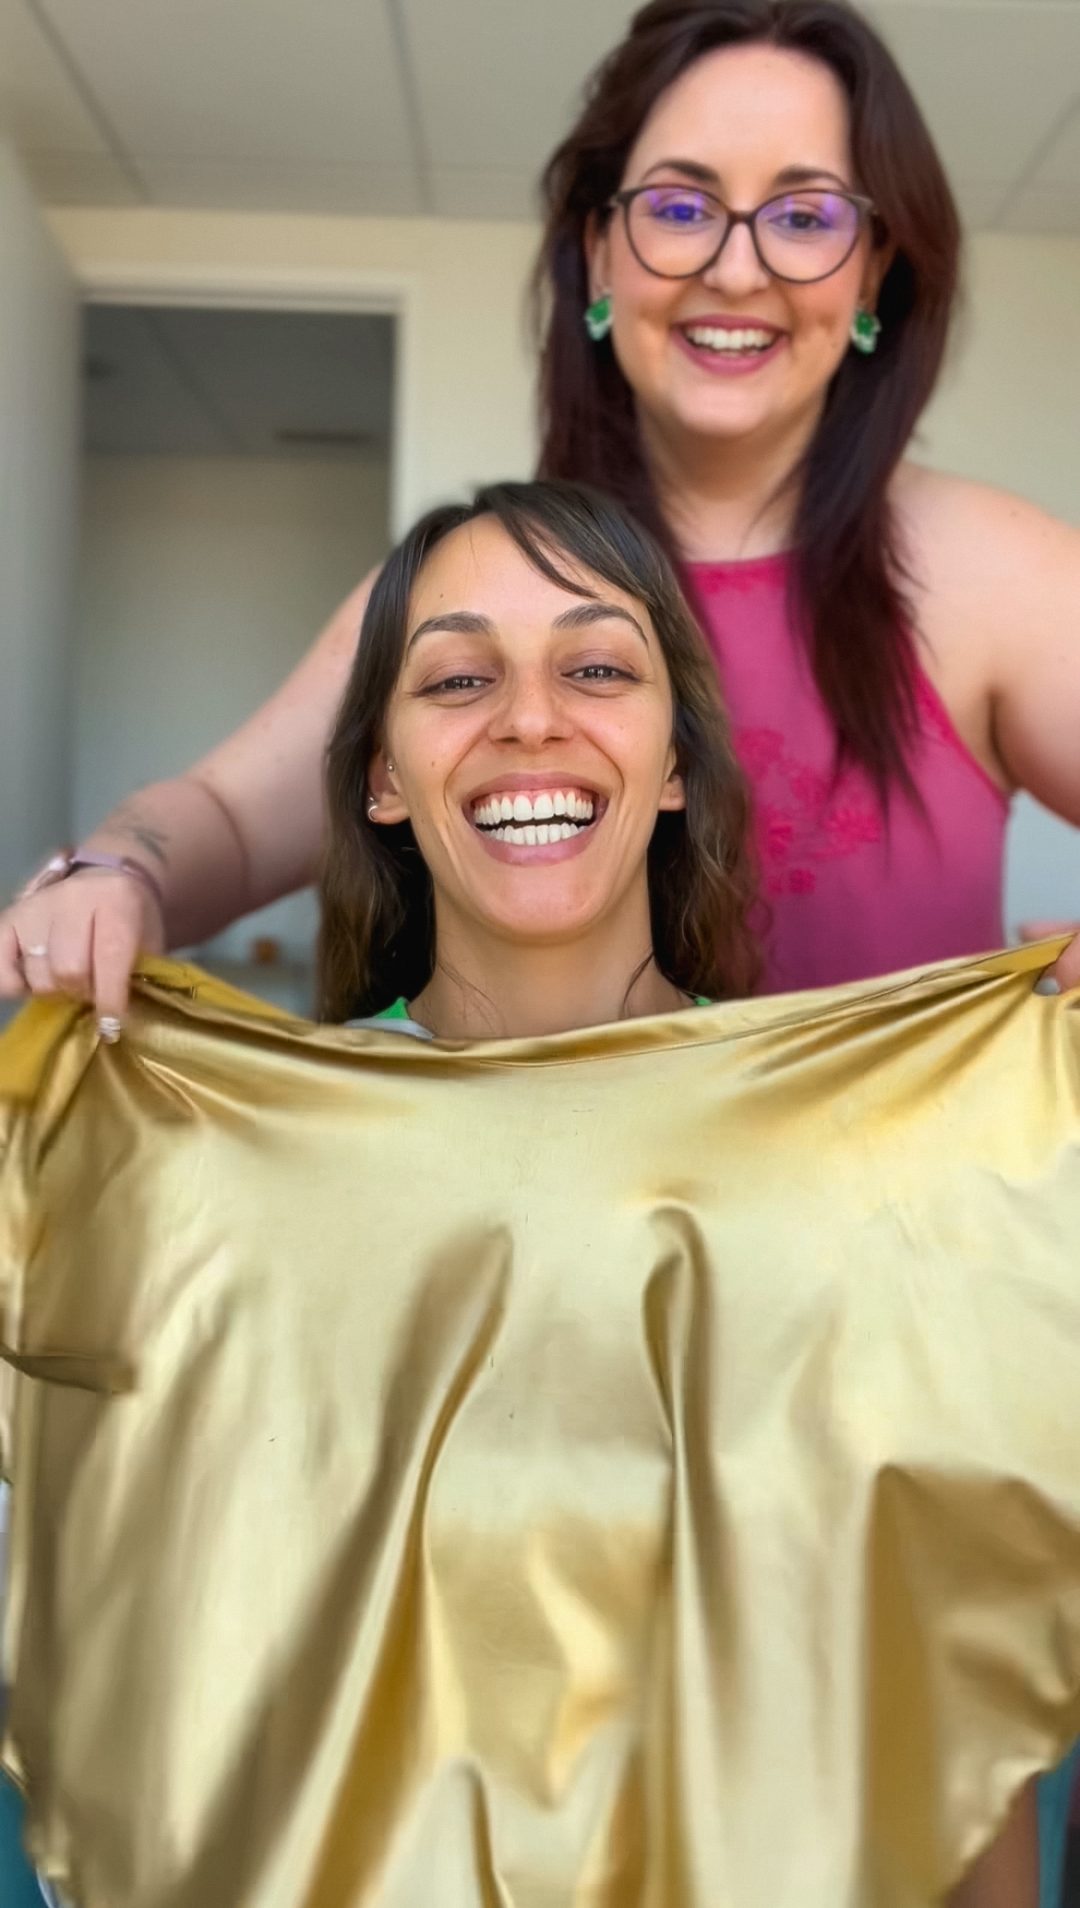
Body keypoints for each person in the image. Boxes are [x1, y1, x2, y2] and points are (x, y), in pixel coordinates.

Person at [4, 481, 1069, 1907]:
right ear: (379, 780)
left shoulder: (873, 1180)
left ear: (677, 765)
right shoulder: (213, 1180)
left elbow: (941, 1709)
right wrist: (106, 883)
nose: (528, 720)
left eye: (598, 670)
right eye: (458, 680)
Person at [1, 0, 1078, 1026]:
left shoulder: (996, 572)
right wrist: (115, 872)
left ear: (875, 272)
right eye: (680, 208)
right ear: (599, 250)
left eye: (805, 217)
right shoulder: (470, 589)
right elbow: (232, 823)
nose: (735, 268)